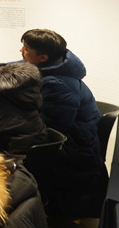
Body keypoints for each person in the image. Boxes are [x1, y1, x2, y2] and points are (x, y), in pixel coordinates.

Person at [20, 28, 107, 217]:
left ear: (43, 57)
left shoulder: (57, 84)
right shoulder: (55, 69)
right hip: (77, 145)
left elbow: (49, 131)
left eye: (26, 49)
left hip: (72, 153)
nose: (21, 51)